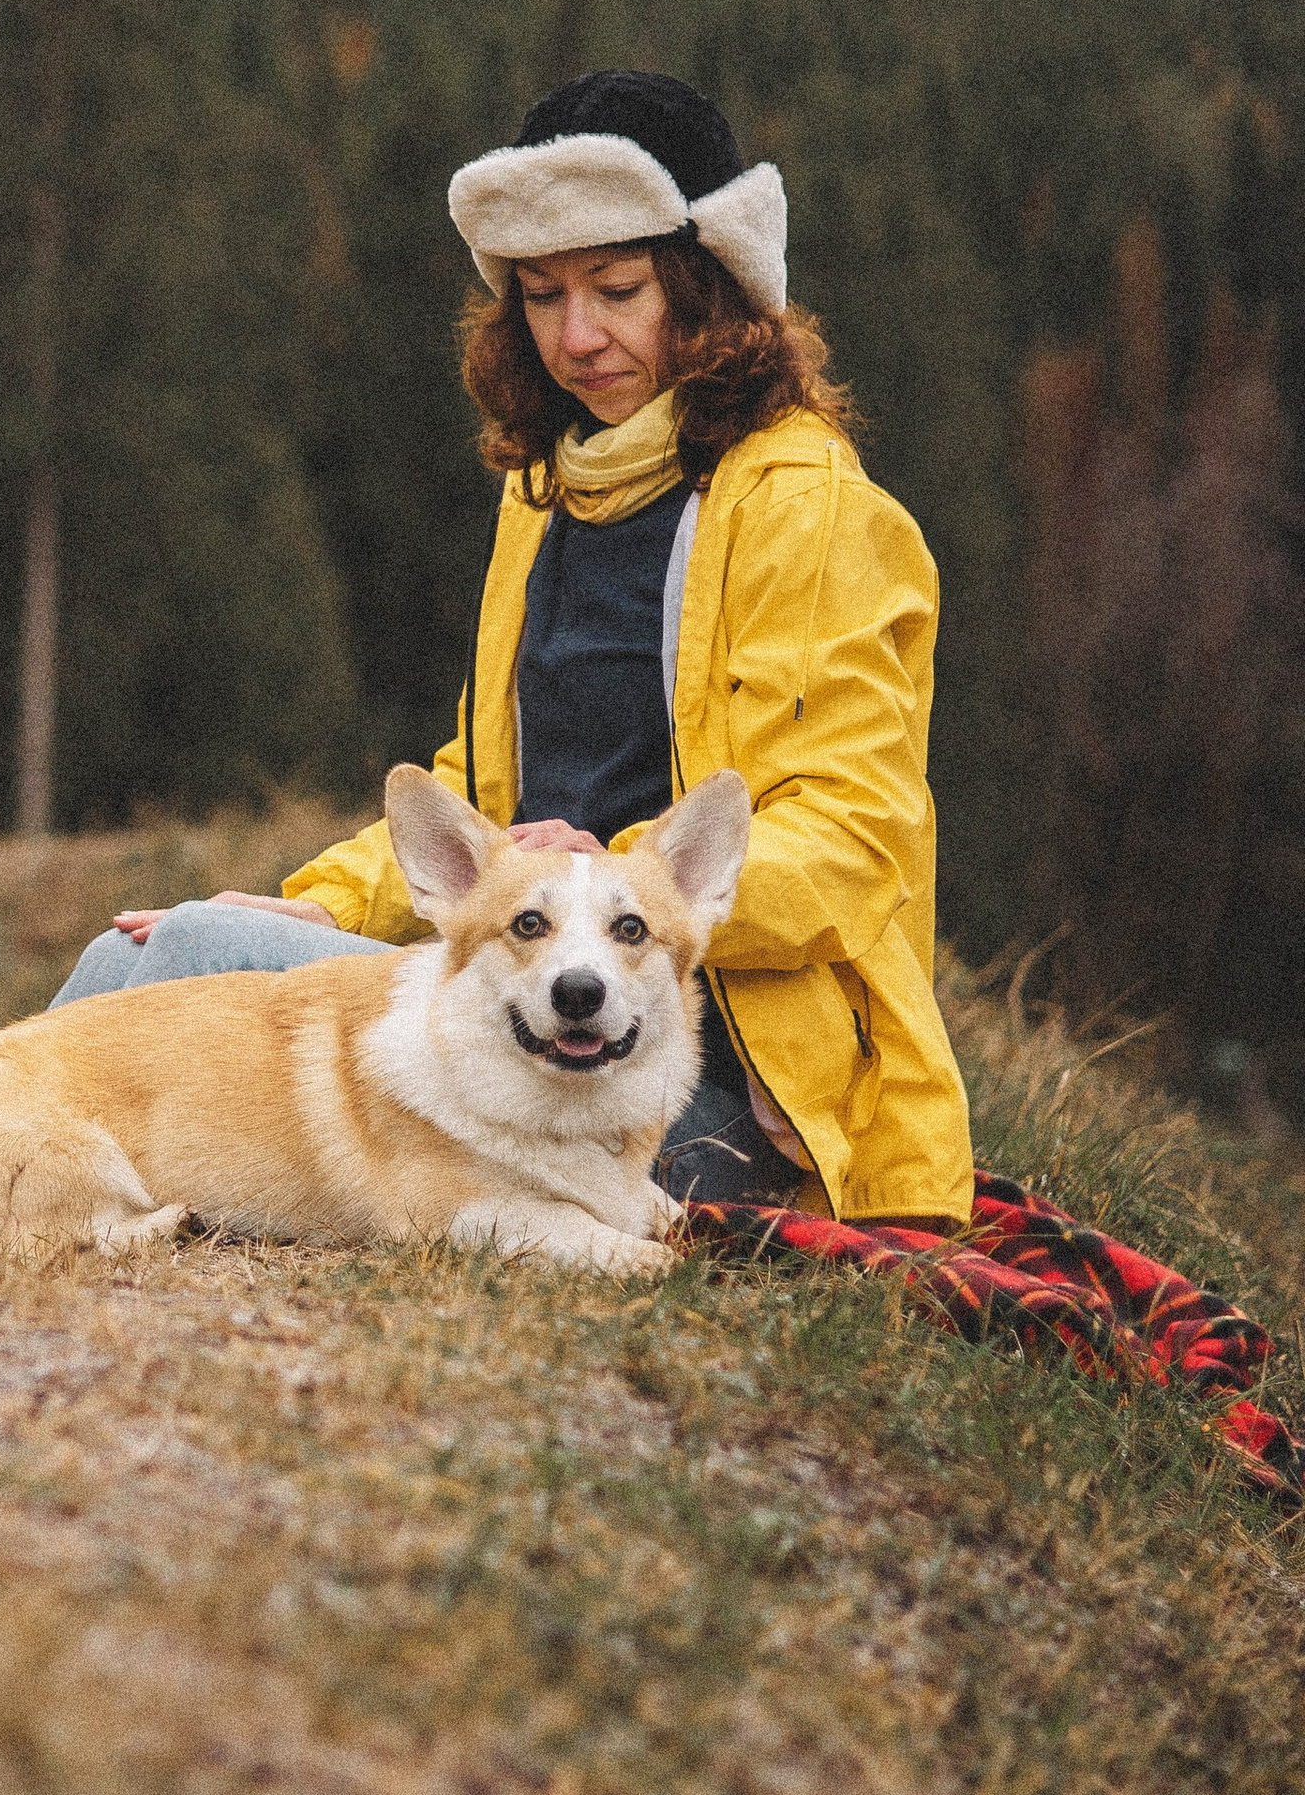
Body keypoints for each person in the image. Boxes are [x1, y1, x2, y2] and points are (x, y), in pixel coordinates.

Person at [49, 68, 973, 1222]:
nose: (576, 337)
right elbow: (489, 795)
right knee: (144, 950)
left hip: (714, 1066)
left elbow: (851, 839)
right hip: (531, 999)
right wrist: (333, 904)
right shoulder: (548, 496)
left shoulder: (808, 509)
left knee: (188, 954)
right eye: (539, 296)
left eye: (618, 289)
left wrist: (608, 880)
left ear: (713, 287)